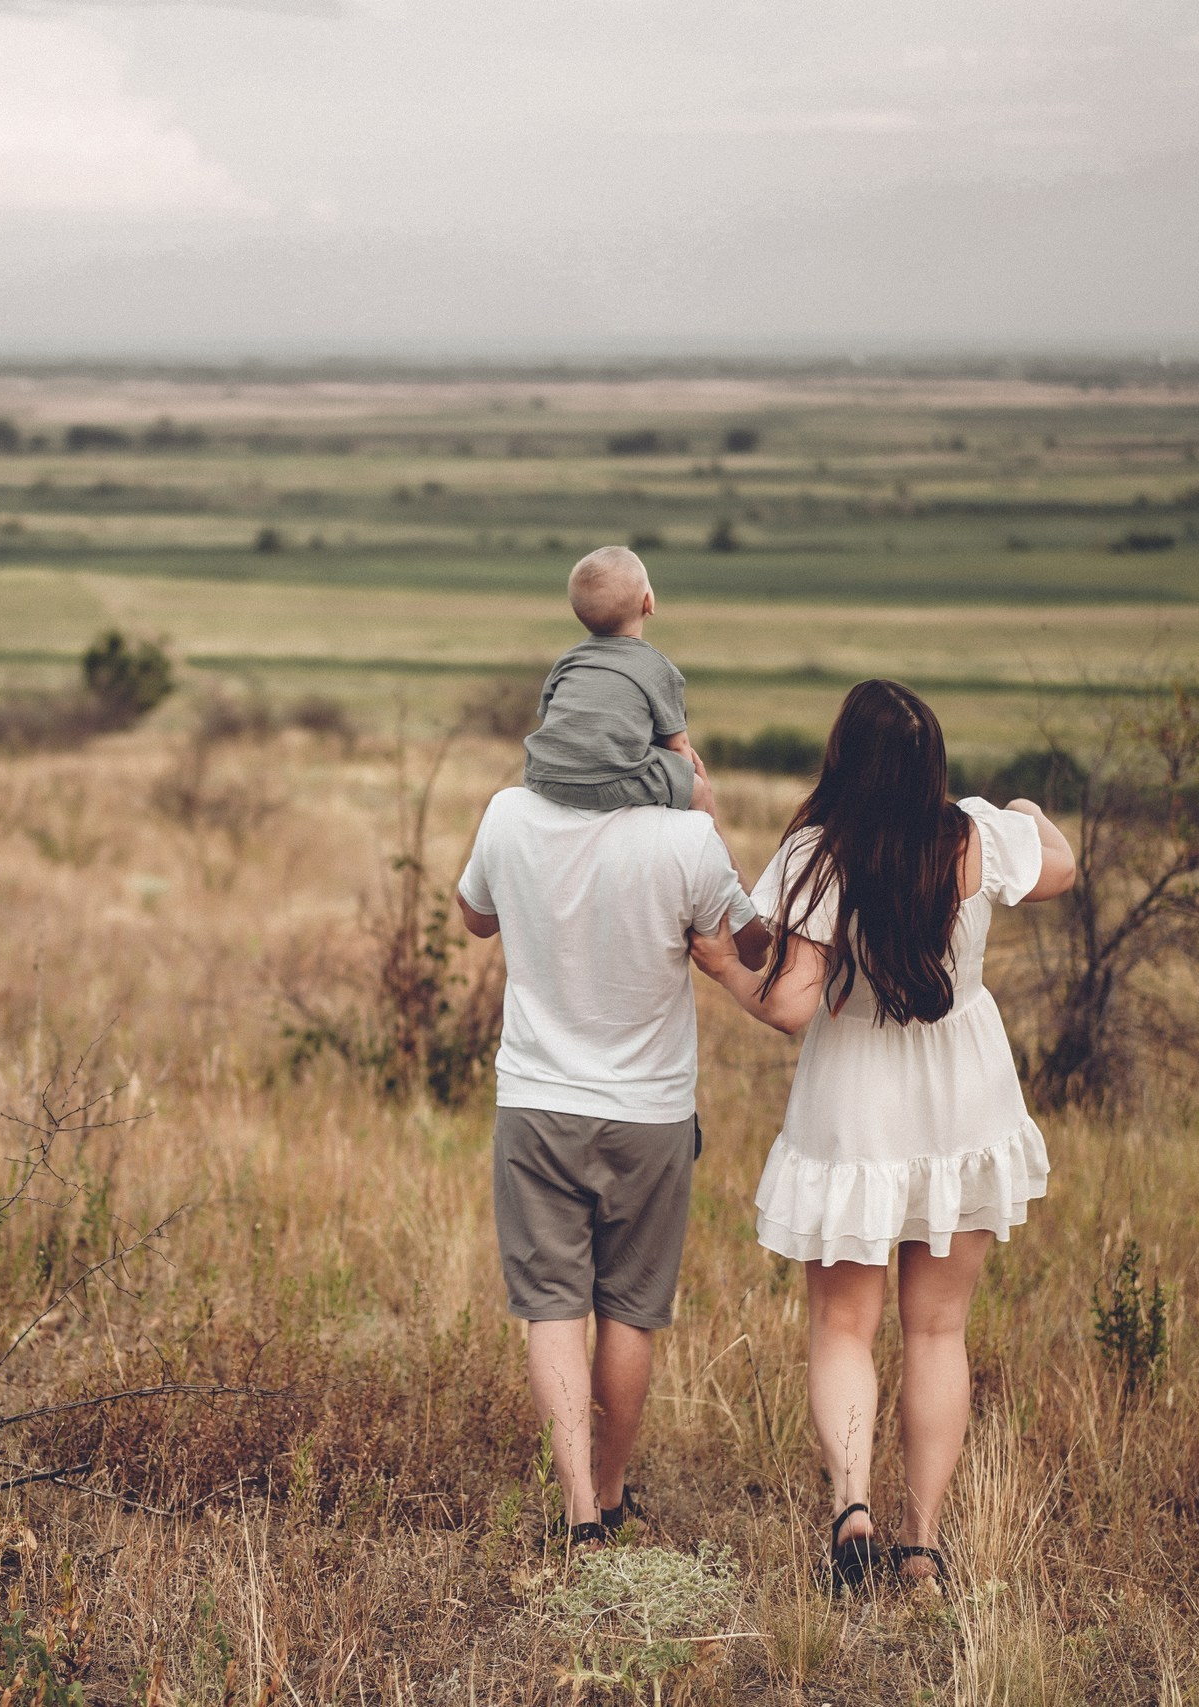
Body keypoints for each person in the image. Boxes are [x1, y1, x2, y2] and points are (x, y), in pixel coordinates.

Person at [690, 679, 1074, 1590]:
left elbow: (786, 1003)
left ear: (844, 759)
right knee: (939, 1331)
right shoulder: (973, 834)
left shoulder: (819, 853)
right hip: (962, 1098)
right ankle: (923, 1546)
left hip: (857, 1100)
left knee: (842, 1326)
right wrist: (1024, 808)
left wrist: (719, 970)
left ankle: (852, 1511)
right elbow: (1059, 864)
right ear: (930, 763)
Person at [456, 722, 768, 1548]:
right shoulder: (687, 836)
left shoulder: (507, 812)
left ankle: (578, 1511)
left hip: (536, 1102)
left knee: (552, 1306)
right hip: (651, 1113)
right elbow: (755, 944)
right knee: (630, 1307)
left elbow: (472, 916)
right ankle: (613, 1485)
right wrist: (707, 806)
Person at [522, 546, 709, 817]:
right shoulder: (657, 667)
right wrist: (685, 783)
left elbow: (551, 718)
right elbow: (677, 745)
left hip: (543, 776)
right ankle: (695, 842)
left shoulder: (568, 661)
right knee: (697, 786)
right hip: (612, 784)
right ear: (648, 602)